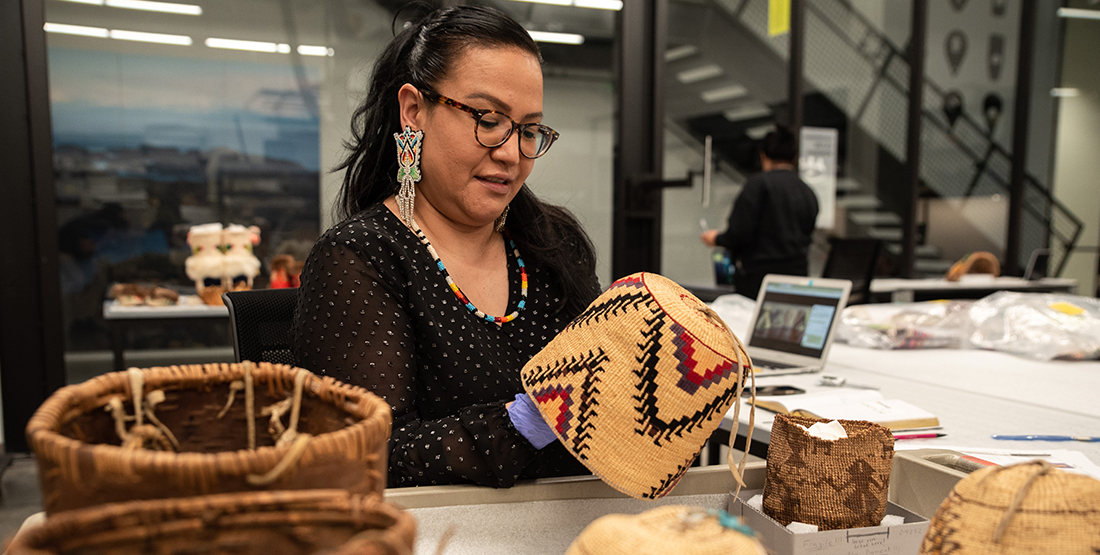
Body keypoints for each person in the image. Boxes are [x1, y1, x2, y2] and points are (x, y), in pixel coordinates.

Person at [292, 5, 601, 489]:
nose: (510, 153)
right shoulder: (362, 257)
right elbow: (365, 457)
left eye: (528, 130)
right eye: (488, 118)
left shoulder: (552, 244)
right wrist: (523, 422)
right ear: (414, 110)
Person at [700, 126, 818, 299]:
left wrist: (715, 238)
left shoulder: (758, 185)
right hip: (797, 282)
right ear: (794, 157)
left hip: (758, 283)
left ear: (763, 156)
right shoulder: (807, 191)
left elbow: (738, 233)